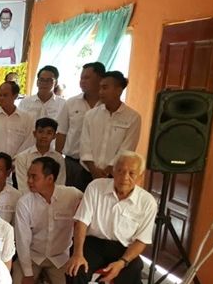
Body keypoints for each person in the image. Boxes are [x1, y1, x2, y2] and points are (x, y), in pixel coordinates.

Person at [64, 152, 157, 284]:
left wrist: (122, 263)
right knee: (75, 269)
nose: (125, 177)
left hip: (124, 249)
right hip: (93, 243)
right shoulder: (96, 187)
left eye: (131, 173)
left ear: (140, 176)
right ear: (113, 171)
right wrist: (78, 253)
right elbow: (81, 222)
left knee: (135, 272)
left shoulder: (147, 202)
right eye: (120, 171)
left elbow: (141, 240)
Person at [13, 157, 82, 284]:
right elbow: (22, 241)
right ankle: (37, 275)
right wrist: (28, 275)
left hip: (59, 258)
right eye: (28, 176)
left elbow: (88, 210)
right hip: (34, 256)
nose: (29, 181)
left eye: (34, 177)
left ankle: (45, 276)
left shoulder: (72, 195)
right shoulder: (24, 203)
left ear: (50, 179)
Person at [80, 71, 141, 184]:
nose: (101, 92)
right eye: (100, 88)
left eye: (105, 88)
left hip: (114, 175)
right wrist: (94, 170)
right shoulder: (91, 115)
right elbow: (85, 145)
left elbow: (127, 148)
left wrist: (108, 170)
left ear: (119, 90)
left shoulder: (133, 117)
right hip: (88, 173)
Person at [56, 62, 105, 191]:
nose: (82, 81)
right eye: (81, 78)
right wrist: (58, 160)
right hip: (73, 164)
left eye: (87, 78)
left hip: (100, 167)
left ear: (100, 79)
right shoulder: (71, 103)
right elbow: (61, 133)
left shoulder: (108, 106)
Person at [13, 117, 66, 188]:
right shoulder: (22, 157)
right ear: (34, 133)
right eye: (40, 132)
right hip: (28, 195)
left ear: (54, 136)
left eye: (49, 133)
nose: (44, 136)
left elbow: (59, 185)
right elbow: (23, 187)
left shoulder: (58, 158)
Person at [0, 81, 35, 157]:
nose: (1, 98)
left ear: (15, 96)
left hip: (21, 161)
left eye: (5, 95)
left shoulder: (27, 118)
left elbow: (29, 141)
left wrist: (17, 159)